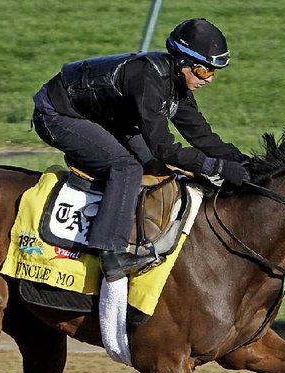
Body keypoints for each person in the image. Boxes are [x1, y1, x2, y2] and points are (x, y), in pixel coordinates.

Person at [32, 18, 250, 282]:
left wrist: (243, 161)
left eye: (212, 73)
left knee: (154, 168)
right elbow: (164, 148)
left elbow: (201, 135)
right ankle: (109, 252)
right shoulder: (148, 80)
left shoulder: (177, 87)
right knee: (126, 166)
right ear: (182, 63)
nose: (208, 80)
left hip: (102, 116)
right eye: (203, 71)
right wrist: (215, 167)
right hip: (58, 113)